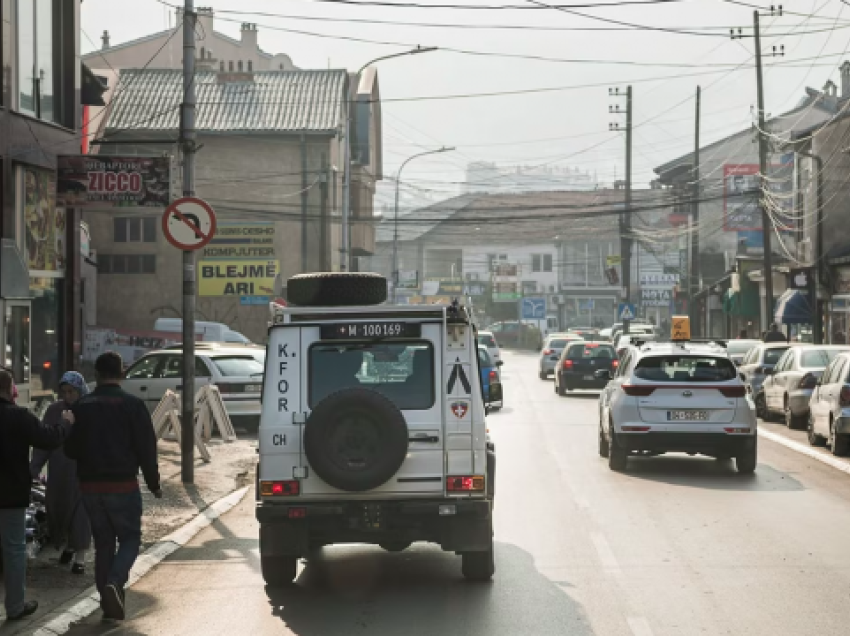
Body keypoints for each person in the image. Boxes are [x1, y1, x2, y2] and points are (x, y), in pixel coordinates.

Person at [64, 352, 162, 621]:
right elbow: (146, 448)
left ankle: (108, 606)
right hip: (123, 486)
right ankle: (114, 583)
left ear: (96, 374)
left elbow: (71, 450)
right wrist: (154, 483)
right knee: (130, 538)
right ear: (122, 373)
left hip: (91, 488)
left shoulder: (81, 406)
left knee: (103, 543)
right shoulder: (133, 405)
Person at [0, 369, 71, 621]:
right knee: (13, 550)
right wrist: (65, 423)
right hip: (10, 496)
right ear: (11, 390)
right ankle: (15, 607)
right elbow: (49, 438)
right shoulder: (19, 417)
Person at [30, 372, 93, 575]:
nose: (68, 396)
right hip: (59, 471)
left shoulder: (90, 409)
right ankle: (69, 546)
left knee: (81, 514)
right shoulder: (54, 410)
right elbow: (44, 442)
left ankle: (80, 557)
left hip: (83, 471)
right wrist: (35, 467)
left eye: (72, 391)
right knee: (58, 510)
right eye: (64, 391)